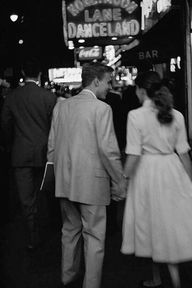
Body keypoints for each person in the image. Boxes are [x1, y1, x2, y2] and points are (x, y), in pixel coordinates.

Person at [120, 72, 192, 288]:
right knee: (169, 224)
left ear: (142, 90)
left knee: (151, 224)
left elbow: (134, 154)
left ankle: (161, 279)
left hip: (147, 172)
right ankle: (169, 279)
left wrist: (123, 179)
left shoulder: (135, 116)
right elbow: (183, 153)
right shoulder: (177, 115)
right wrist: (189, 184)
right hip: (172, 170)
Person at [47, 62, 126, 288]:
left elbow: (51, 146)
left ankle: (67, 276)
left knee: (69, 231)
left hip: (64, 181)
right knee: (94, 237)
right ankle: (90, 284)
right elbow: (108, 150)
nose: (109, 87)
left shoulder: (61, 107)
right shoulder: (102, 109)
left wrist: (53, 176)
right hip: (92, 183)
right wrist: (119, 180)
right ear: (96, 81)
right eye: (108, 82)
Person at [1, 59, 57, 249]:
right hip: (45, 153)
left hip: (21, 153)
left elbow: (5, 126)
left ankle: (33, 235)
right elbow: (55, 127)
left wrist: (10, 145)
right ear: (40, 74)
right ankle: (49, 229)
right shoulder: (49, 97)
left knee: (26, 198)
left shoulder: (12, 97)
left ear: (23, 73)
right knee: (46, 193)